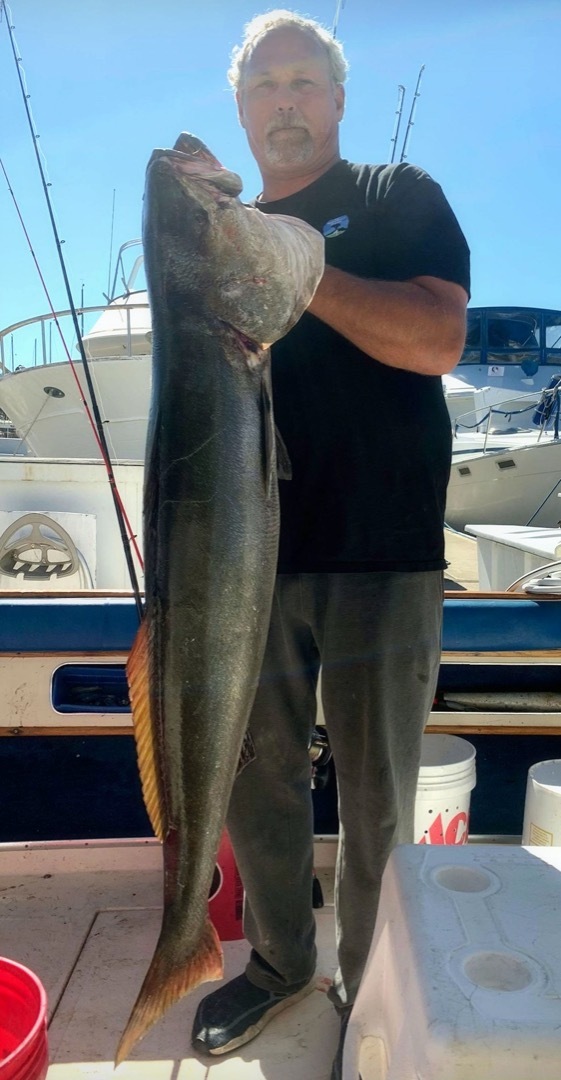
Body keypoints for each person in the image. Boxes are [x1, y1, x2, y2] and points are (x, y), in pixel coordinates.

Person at [192, 10, 470, 1078]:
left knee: (377, 797)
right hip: (245, 565)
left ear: (339, 101)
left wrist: (300, 269)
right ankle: (275, 961)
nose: (286, 105)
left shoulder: (399, 198)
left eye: (305, 83)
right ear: (242, 110)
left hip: (385, 559)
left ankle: (368, 976)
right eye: (266, 89)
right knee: (252, 779)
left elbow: (438, 335)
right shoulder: (224, 232)